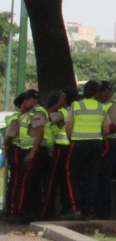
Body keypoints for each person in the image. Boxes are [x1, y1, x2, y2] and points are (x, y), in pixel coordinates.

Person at [65, 81, 110, 220]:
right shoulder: (101, 107)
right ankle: (87, 209)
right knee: (91, 176)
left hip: (78, 143)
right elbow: (107, 129)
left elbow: (68, 125)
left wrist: (71, 139)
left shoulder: (76, 105)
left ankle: (75, 208)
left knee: (71, 174)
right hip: (96, 145)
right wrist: (100, 139)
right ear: (96, 93)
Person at [12, 90, 48, 223]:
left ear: (35, 100)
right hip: (27, 149)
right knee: (30, 183)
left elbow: (39, 133)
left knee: (26, 182)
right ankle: (29, 212)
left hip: (33, 151)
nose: (24, 101)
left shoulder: (37, 113)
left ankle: (24, 213)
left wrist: (33, 152)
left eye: (28, 99)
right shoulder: (27, 113)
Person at [42, 87, 78, 219]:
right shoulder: (77, 110)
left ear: (65, 99)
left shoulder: (64, 111)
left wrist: (58, 105)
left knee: (52, 180)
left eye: (61, 97)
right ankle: (66, 209)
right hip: (73, 147)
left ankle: (45, 211)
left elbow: (46, 117)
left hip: (62, 148)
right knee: (67, 180)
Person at [95, 81, 116, 218]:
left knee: (104, 176)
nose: (100, 94)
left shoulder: (114, 106)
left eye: (103, 91)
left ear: (109, 92)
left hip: (110, 143)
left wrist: (101, 128)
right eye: (99, 91)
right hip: (99, 142)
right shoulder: (97, 105)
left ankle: (104, 212)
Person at [2, 93, 26, 220]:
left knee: (18, 180)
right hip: (16, 149)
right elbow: (9, 136)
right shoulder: (17, 118)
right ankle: (12, 209)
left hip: (20, 149)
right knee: (16, 180)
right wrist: (6, 146)